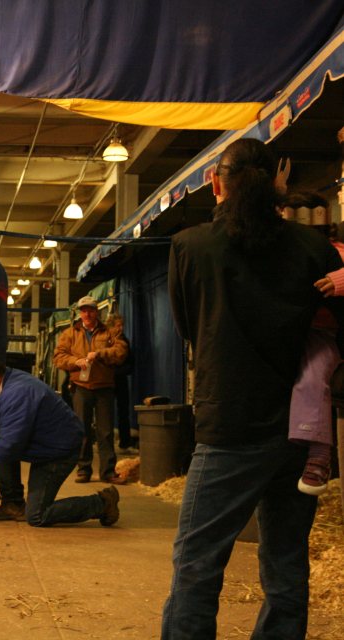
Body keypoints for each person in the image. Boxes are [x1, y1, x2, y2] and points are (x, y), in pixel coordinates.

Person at [163, 138, 344, 639]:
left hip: (231, 427)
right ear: (278, 185)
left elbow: (187, 327)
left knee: (198, 565)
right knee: (286, 563)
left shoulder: (190, 245)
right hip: (302, 428)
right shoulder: (315, 248)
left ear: (215, 183)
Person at [0, 356, 120, 527]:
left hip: (59, 452)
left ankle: (102, 503)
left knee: (37, 515)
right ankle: (13, 504)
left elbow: (10, 446)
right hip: (47, 442)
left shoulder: (16, 393)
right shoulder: (10, 380)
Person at [281, 190, 344, 495]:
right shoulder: (279, 252)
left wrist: (338, 281)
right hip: (291, 332)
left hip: (324, 334)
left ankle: (319, 455)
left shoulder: (337, 251)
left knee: (312, 377)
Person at [53, 296, 128, 484]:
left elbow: (121, 352)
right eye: (84, 310)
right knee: (82, 430)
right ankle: (83, 469)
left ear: (97, 312)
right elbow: (59, 357)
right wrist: (74, 362)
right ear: (80, 312)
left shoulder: (110, 333)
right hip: (80, 387)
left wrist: (101, 354)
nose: (87, 314)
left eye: (91, 310)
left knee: (106, 431)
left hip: (104, 388)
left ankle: (108, 472)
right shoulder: (69, 334)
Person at [108, 313, 136, 453]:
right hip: (106, 380)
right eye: (118, 325)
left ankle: (124, 444)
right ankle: (106, 445)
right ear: (111, 326)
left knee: (123, 412)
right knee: (105, 413)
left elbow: (130, 359)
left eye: (122, 325)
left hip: (121, 379)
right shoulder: (104, 339)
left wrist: (123, 371)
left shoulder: (123, 340)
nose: (121, 328)